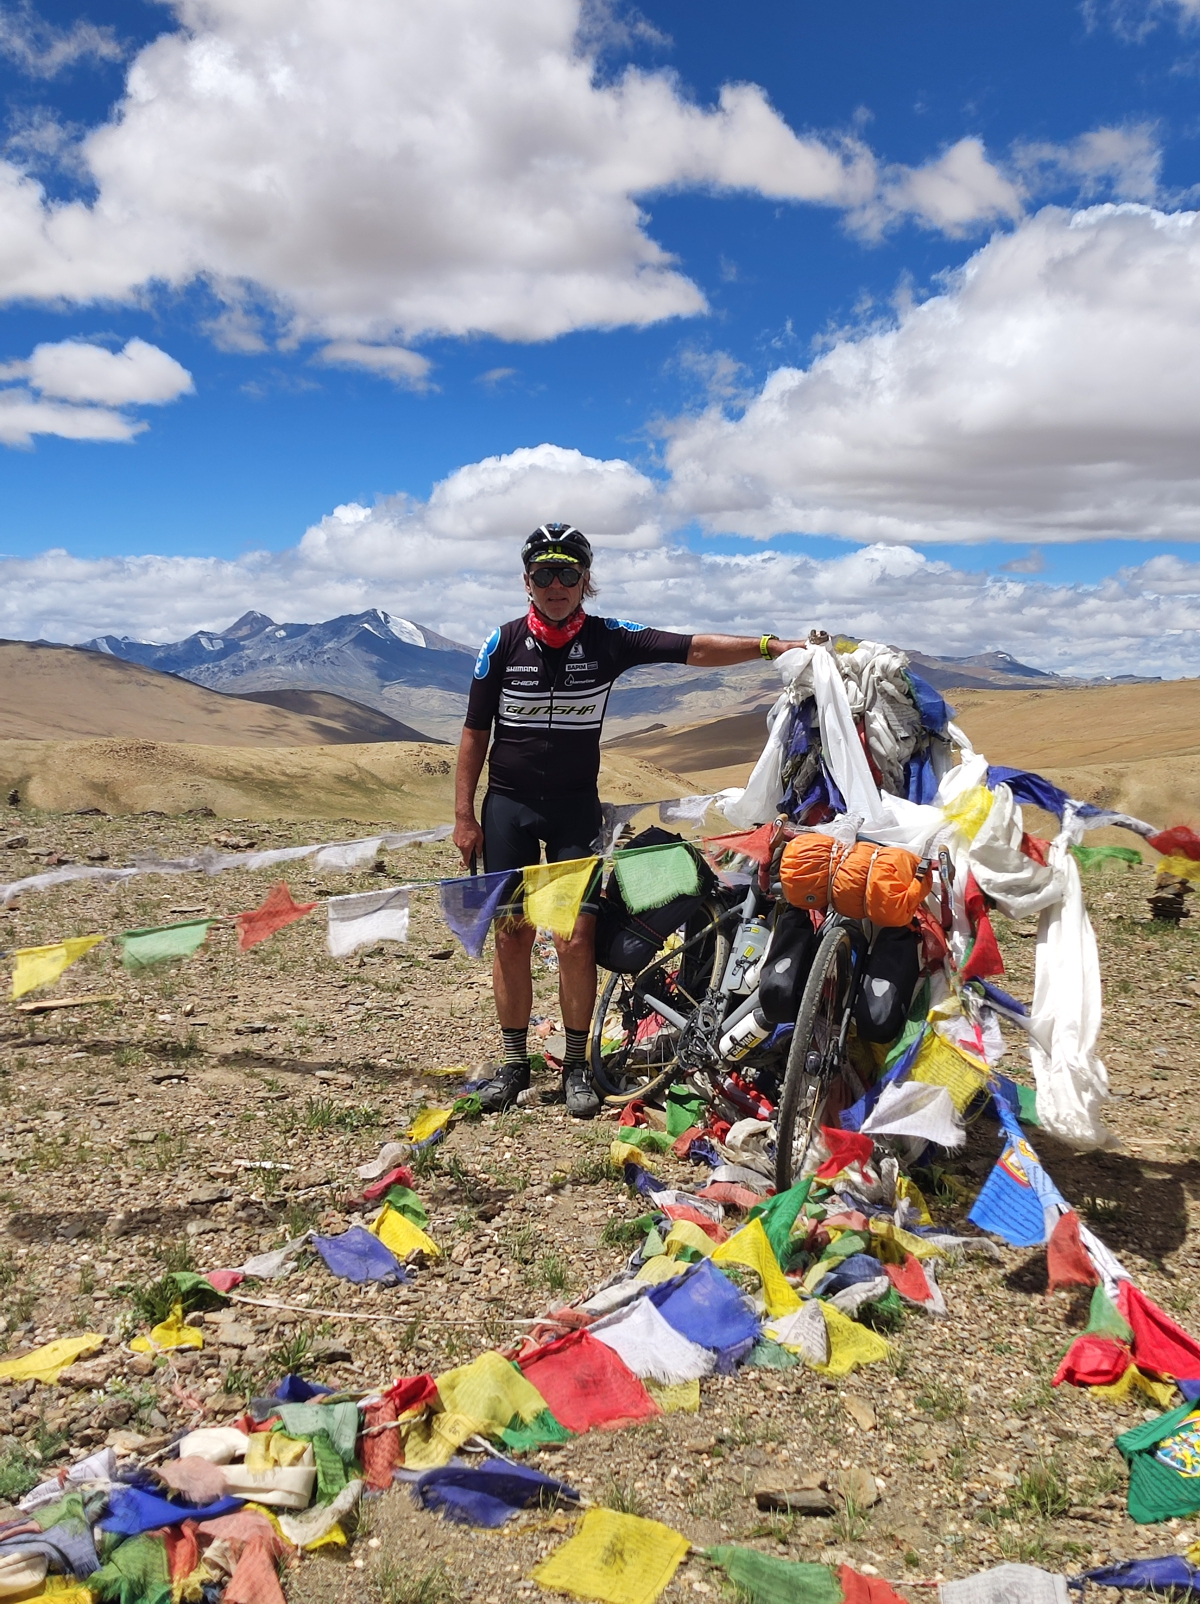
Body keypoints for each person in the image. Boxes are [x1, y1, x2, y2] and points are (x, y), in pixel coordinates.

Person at [453, 523, 805, 1117]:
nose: (557, 584)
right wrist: (464, 813)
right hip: (508, 805)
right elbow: (473, 732)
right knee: (513, 936)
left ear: (587, 581)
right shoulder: (503, 644)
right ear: (527, 582)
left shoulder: (609, 639)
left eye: (570, 573)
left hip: (573, 811)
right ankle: (514, 1065)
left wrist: (771, 646)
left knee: (575, 937)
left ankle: (572, 1068)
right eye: (545, 573)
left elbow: (692, 648)